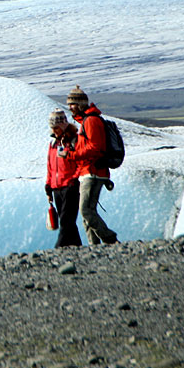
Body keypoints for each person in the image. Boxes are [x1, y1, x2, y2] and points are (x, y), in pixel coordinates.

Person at [65, 85, 118, 244]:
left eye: (73, 104)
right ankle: (94, 246)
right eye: (69, 104)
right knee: (87, 212)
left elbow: (95, 148)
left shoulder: (92, 121)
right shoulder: (87, 121)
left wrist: (71, 154)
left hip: (93, 171)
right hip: (88, 171)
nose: (70, 107)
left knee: (86, 210)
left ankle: (110, 240)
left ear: (81, 104)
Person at [46, 108, 82, 247]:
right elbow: (50, 166)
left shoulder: (73, 141)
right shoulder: (53, 144)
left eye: (56, 128)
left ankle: (58, 248)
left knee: (66, 220)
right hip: (56, 187)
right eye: (52, 128)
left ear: (62, 125)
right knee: (66, 220)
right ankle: (77, 247)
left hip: (70, 186)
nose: (54, 131)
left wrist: (74, 179)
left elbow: (80, 161)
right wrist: (48, 186)